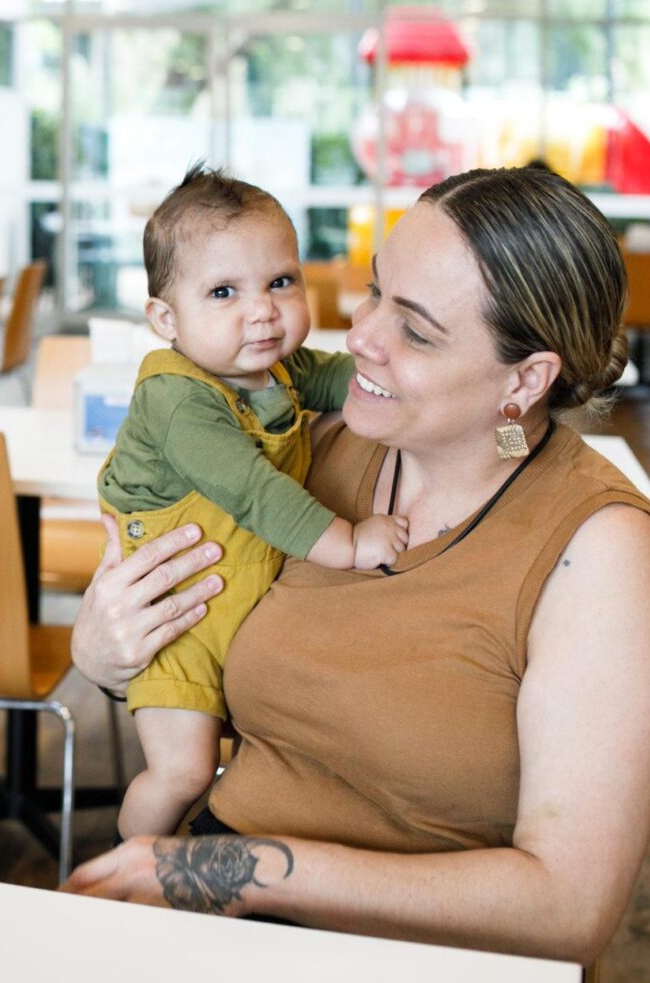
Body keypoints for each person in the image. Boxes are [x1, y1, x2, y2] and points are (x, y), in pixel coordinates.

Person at [64, 166, 650, 965]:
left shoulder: (598, 551)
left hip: (404, 953)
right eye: (374, 292)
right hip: (211, 906)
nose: (358, 337)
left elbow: (567, 907)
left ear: (523, 380)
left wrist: (244, 875)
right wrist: (103, 656)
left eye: (413, 330)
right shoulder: (305, 449)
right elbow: (185, 637)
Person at [99, 166, 408, 840]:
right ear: (164, 318)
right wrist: (350, 544)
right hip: (174, 629)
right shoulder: (176, 397)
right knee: (181, 775)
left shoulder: (276, 369)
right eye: (222, 292)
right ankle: (128, 873)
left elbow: (346, 380)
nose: (262, 309)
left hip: (232, 614)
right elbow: (253, 492)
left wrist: (408, 371)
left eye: (279, 281)